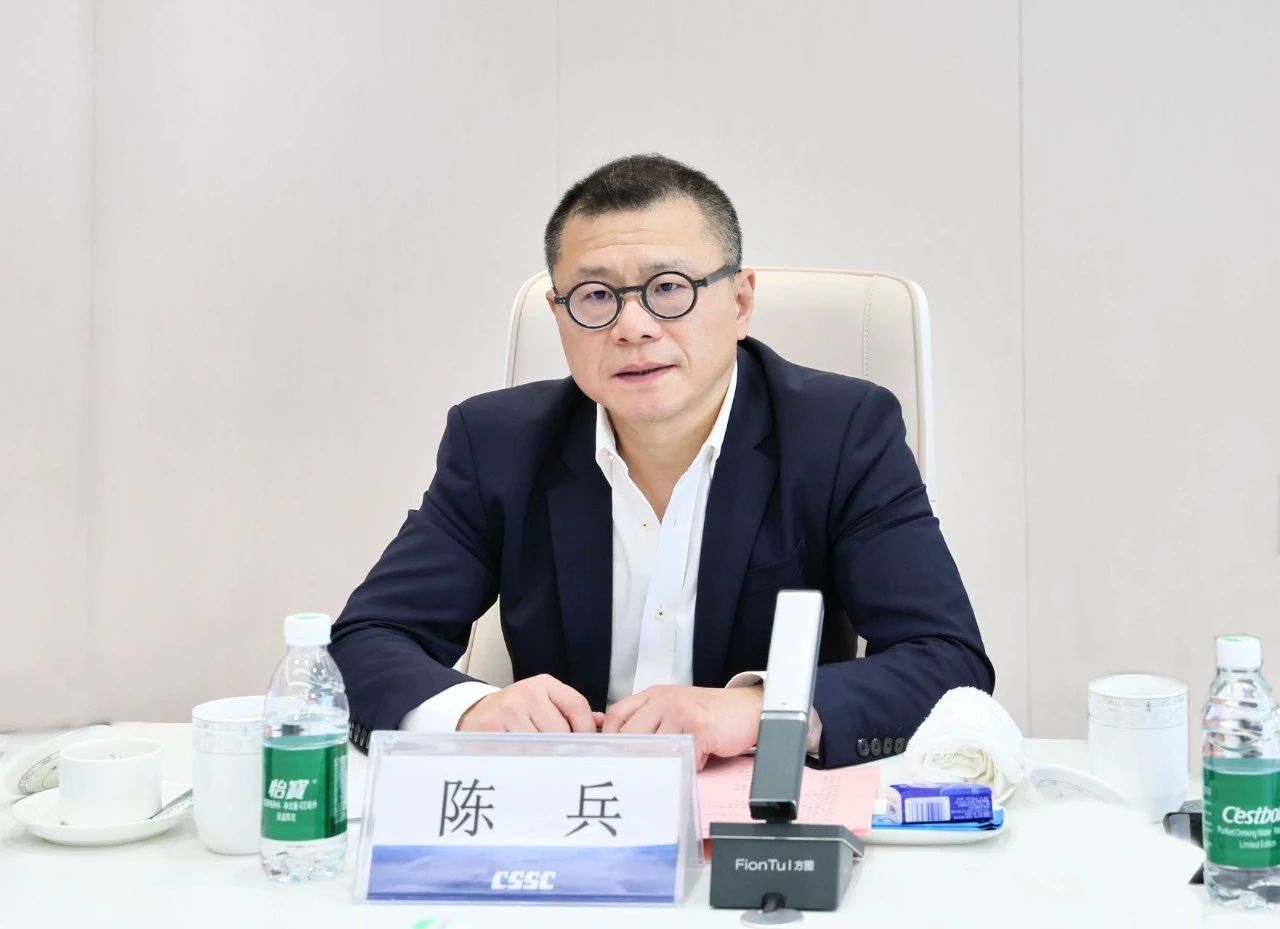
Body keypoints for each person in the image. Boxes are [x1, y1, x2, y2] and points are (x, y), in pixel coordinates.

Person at [330, 153, 994, 769]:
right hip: (569, 811)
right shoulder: (497, 444)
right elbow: (363, 642)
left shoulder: (841, 434)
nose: (633, 327)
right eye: (596, 296)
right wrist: (471, 710)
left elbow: (946, 660)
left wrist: (758, 711)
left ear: (740, 302)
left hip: (752, 809)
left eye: (669, 288)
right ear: (559, 316)